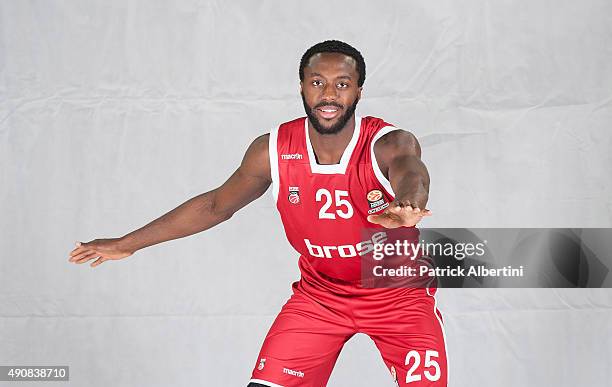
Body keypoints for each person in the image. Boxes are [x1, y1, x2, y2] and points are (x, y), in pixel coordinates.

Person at [69, 40, 448, 386]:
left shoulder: (388, 141)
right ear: (301, 86)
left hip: (398, 296)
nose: (329, 94)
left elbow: (411, 171)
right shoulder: (272, 150)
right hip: (321, 297)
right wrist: (127, 243)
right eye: (317, 82)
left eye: (342, 83)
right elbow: (216, 206)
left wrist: (407, 202)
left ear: (359, 91)